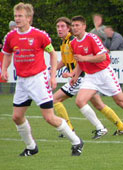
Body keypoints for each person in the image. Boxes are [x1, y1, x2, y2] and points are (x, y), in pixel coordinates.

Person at [1, 2, 83, 156]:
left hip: (38, 79)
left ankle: (76, 142)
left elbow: (52, 54)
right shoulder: (10, 37)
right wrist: (4, 69)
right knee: (17, 116)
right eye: (16, 16)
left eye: (20, 16)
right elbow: (7, 53)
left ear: (29, 18)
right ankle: (31, 147)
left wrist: (52, 76)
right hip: (22, 81)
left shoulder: (39, 35)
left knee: (49, 118)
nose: (17, 19)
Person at [68, 15, 123, 137]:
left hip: (104, 74)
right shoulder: (73, 43)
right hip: (90, 77)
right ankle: (100, 128)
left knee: (121, 102)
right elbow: (80, 62)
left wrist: (85, 58)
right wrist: (75, 75)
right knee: (80, 101)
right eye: (73, 26)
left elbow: (103, 56)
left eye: (77, 25)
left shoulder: (92, 38)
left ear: (84, 26)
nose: (74, 28)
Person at [54, 17, 123, 139]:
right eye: (58, 27)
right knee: (99, 105)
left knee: (55, 100)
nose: (59, 29)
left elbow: (81, 60)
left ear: (69, 28)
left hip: (82, 77)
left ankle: (69, 129)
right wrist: (53, 70)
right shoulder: (64, 42)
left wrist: (73, 74)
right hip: (84, 77)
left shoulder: (73, 40)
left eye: (63, 26)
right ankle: (122, 127)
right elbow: (65, 60)